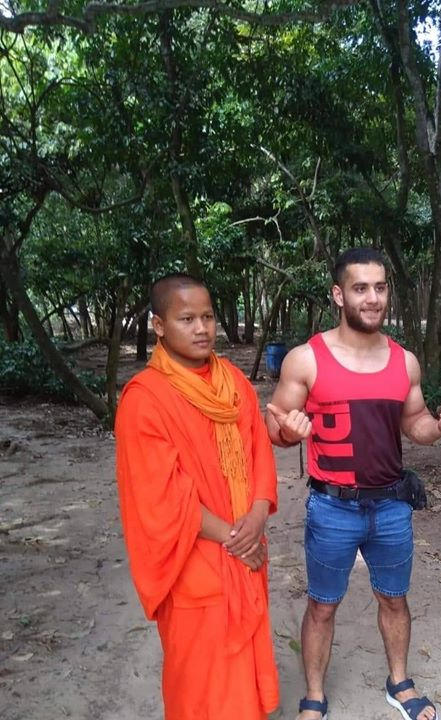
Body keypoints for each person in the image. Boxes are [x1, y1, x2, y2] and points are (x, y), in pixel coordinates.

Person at [265, 247, 441, 720]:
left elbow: (414, 423)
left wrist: (440, 426)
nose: (372, 298)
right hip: (331, 508)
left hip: (391, 506)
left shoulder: (404, 361)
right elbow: (275, 426)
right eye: (360, 288)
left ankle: (399, 683)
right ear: (339, 295)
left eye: (379, 287)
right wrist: (289, 431)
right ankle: (314, 695)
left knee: (394, 599)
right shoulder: (306, 359)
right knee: (322, 605)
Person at [115, 273, 279, 720]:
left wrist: (257, 516)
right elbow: (162, 496)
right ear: (159, 325)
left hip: (245, 543)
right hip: (195, 554)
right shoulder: (144, 400)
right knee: (199, 677)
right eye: (186, 319)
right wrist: (235, 539)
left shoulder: (234, 382)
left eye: (207, 316)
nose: (202, 328)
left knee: (242, 670)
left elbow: (259, 453)